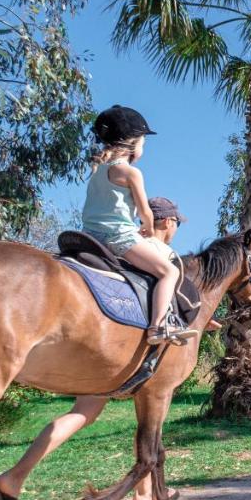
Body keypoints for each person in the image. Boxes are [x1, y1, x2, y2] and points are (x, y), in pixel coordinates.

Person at [0, 196, 188, 500]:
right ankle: (143, 492)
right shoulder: (161, 254)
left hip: (103, 345)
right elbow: (173, 297)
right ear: (168, 222)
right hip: (127, 350)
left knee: (81, 413)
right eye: (176, 223)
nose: (176, 229)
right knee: (151, 408)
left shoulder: (122, 245)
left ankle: (15, 477)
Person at [81, 105, 193, 345]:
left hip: (89, 234)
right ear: (132, 143)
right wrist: (149, 229)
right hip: (118, 236)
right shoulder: (132, 173)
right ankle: (159, 326)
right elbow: (144, 212)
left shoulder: (97, 169)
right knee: (169, 271)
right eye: (143, 142)